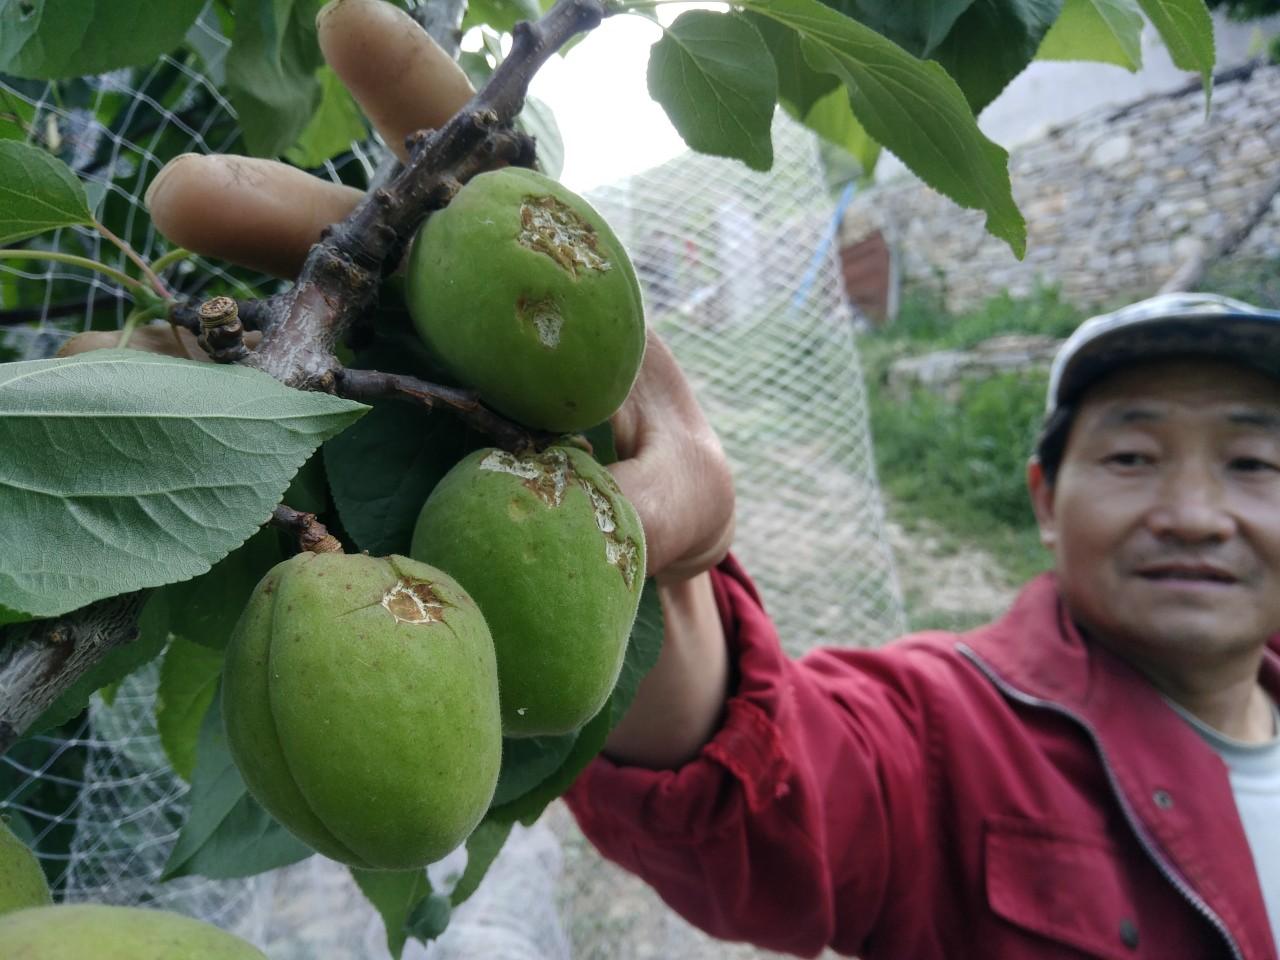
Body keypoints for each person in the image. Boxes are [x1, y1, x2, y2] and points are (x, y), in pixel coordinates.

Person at [144, 3, 1280, 957]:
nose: (1192, 510)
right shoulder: (949, 738)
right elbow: (761, 792)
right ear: (1042, 493)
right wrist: (615, 525)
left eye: (1251, 461)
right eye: (1130, 454)